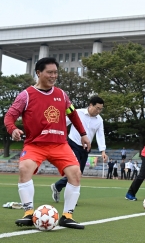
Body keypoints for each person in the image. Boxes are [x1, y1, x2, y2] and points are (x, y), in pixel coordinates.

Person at [4, 57, 90, 229]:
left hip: (60, 144)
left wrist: (83, 134)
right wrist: (12, 129)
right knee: (24, 168)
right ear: (38, 73)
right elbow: (9, 117)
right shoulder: (26, 95)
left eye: (55, 73)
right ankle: (29, 213)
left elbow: (73, 115)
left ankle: (67, 216)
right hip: (35, 145)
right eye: (49, 72)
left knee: (75, 173)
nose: (53, 76)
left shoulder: (62, 95)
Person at [51, 96, 108, 203]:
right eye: (97, 108)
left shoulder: (99, 120)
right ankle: (71, 198)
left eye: (101, 109)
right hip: (72, 144)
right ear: (90, 105)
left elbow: (100, 135)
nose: (99, 111)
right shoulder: (77, 113)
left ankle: (57, 186)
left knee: (78, 174)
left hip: (86, 148)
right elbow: (62, 123)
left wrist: (103, 151)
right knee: (74, 172)